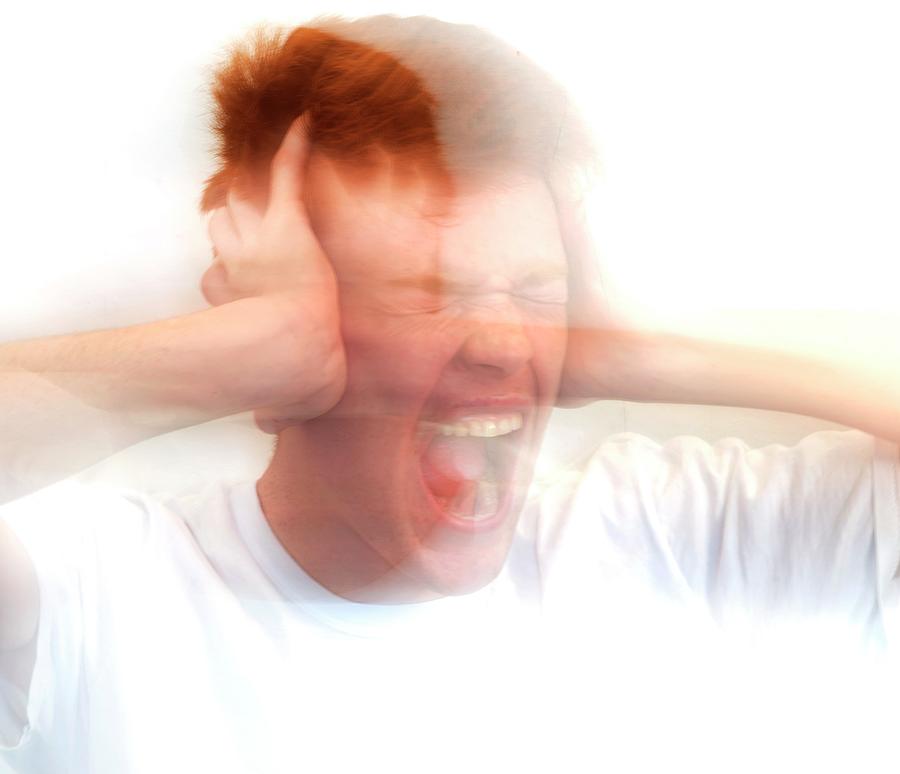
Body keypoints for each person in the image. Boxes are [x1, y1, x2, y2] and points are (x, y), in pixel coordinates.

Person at [1, 14, 899, 774]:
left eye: (536, 287)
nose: (503, 343)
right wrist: (235, 355)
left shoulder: (683, 539)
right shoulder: (87, 590)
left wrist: (641, 346)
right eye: (428, 290)